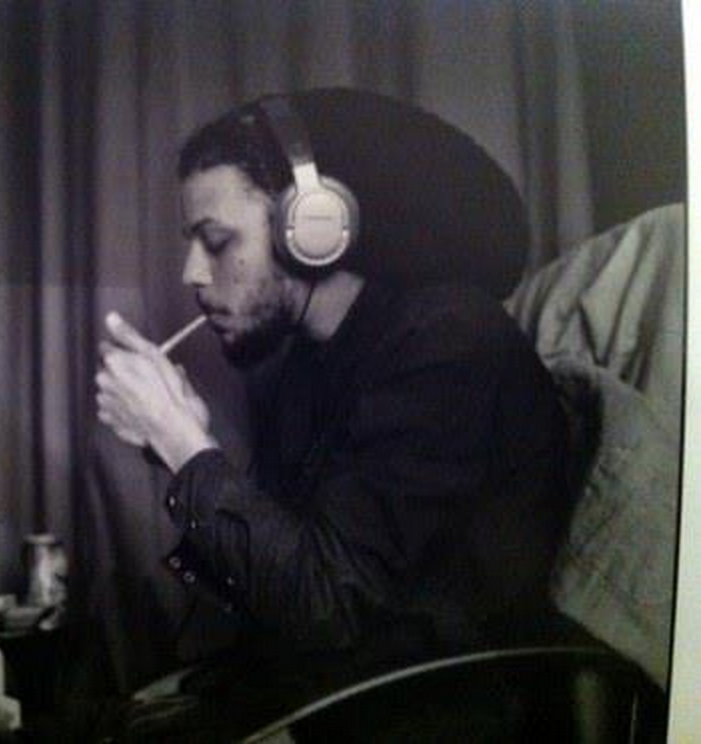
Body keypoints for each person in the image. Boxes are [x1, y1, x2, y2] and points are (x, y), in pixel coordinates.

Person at [93, 88, 575, 740]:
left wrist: (183, 446)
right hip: (327, 701)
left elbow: (327, 609)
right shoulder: (307, 365)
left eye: (216, 241)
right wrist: (183, 448)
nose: (192, 273)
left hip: (433, 719)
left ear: (310, 231)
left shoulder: (448, 343)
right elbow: (267, 595)